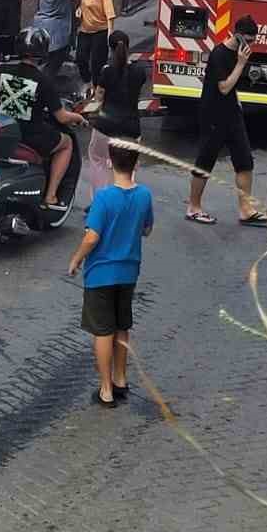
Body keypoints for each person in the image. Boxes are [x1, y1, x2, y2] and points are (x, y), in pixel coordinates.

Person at [68, 142, 154, 407]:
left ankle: (105, 390)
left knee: (103, 331)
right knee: (121, 326)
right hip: (129, 272)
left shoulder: (103, 198)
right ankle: (120, 379)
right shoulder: (144, 195)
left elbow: (92, 237)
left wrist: (76, 259)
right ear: (136, 163)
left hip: (101, 274)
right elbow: (147, 230)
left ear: (110, 162)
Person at [186, 15, 267, 228]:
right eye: (248, 40)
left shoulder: (240, 53)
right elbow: (223, 87)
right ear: (238, 35)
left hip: (232, 112)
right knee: (206, 160)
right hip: (213, 114)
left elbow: (232, 90)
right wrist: (242, 63)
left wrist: (238, 101)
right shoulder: (220, 54)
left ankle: (246, 209)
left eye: (254, 41)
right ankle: (193, 207)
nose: (251, 45)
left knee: (244, 160)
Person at [0, 27, 88, 212]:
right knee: (67, 143)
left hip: (3, 130)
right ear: (43, 52)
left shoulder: (3, 70)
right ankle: (51, 195)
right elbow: (61, 116)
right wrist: (78, 117)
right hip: (29, 136)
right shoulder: (43, 80)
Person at [83, 30, 147, 207]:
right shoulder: (139, 72)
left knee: (98, 160)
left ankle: (99, 203)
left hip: (106, 125)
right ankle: (124, 202)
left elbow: (99, 97)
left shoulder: (107, 71)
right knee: (127, 166)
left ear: (110, 49)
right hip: (131, 128)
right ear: (128, 47)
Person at [32, 0, 81, 81]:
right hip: (57, 30)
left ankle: (41, 80)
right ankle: (44, 84)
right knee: (54, 62)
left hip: (42, 27)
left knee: (47, 59)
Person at [76, 0, 116, 93]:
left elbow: (110, 13)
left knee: (96, 63)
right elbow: (83, 1)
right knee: (80, 58)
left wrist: (110, 32)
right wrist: (79, 9)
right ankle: (87, 82)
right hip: (84, 29)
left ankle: (96, 87)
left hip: (100, 31)